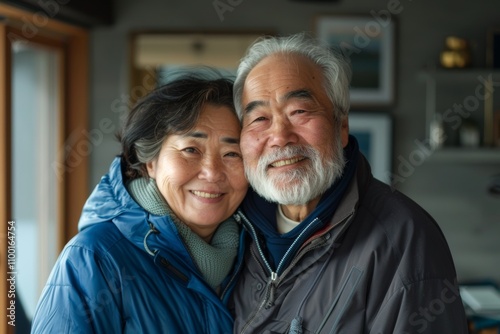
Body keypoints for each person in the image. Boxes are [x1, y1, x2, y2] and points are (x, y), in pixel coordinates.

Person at [229, 33, 469, 333]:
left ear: (341, 126)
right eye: (259, 119)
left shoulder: (404, 239)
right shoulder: (230, 229)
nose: (279, 137)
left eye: (299, 111)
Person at [31, 72, 248, 333]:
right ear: (150, 161)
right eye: (191, 150)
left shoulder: (258, 257)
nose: (212, 172)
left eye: (232, 153)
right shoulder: (94, 258)